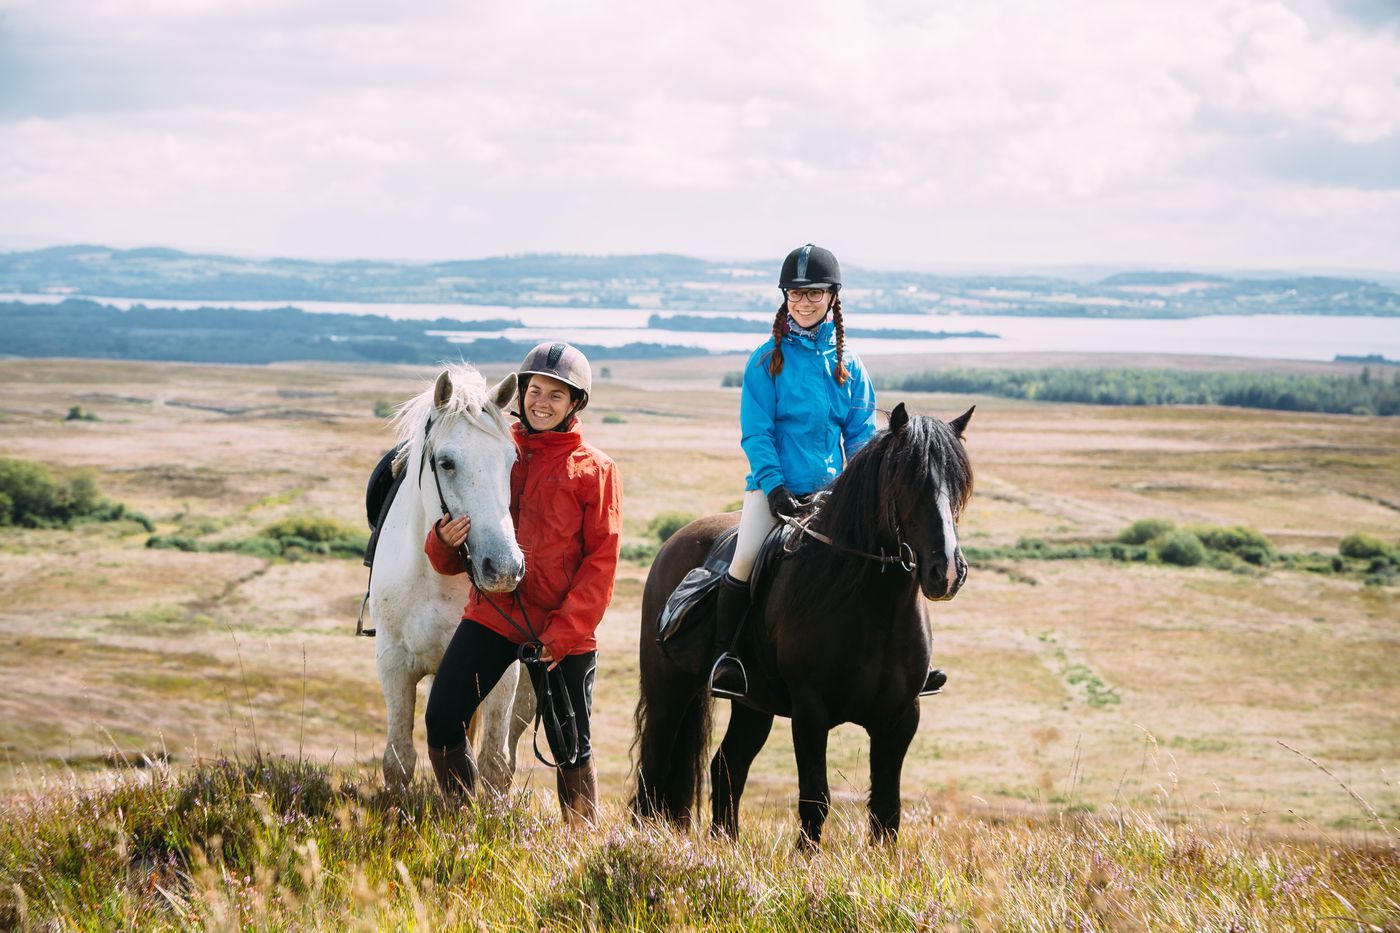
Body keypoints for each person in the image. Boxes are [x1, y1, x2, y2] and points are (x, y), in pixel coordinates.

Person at [709, 243, 947, 699]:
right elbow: (756, 434)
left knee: (896, 555)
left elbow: (861, 435)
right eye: (795, 294)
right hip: (772, 490)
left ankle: (914, 660)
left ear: (833, 298)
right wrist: (775, 487)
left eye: (814, 294)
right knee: (744, 558)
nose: (803, 302)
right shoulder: (764, 361)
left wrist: (862, 488)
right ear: (785, 298)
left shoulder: (851, 365)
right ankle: (729, 658)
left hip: (838, 493)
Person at [423, 342, 622, 825]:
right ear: (522, 394)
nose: (542, 402)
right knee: (442, 718)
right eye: (535, 390)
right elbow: (457, 554)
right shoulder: (495, 449)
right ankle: (464, 822)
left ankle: (580, 850)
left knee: (569, 746)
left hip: (561, 632)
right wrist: (444, 543)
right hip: (495, 615)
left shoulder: (595, 470)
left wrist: (563, 635)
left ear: (575, 404)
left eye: (557, 395)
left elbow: (601, 563)